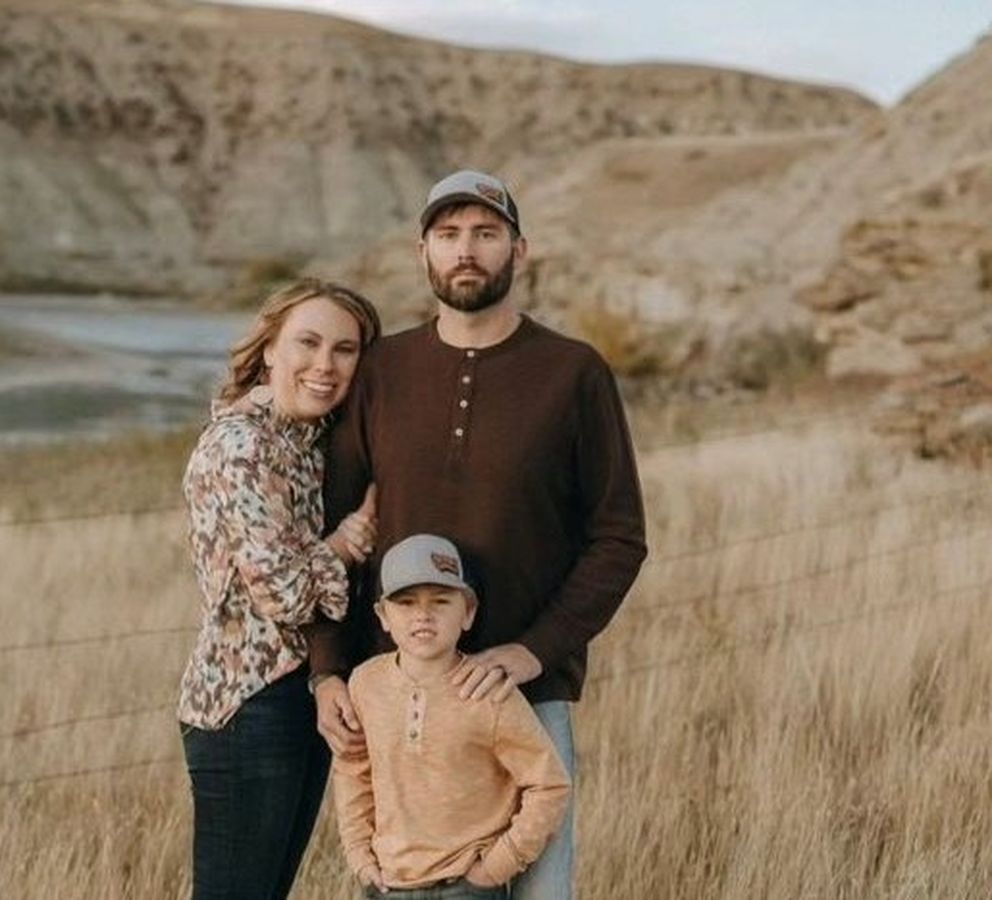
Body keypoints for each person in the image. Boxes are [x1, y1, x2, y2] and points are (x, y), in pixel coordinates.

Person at [309, 169, 648, 899]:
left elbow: (619, 537)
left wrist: (532, 651)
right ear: (423, 251)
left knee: (541, 891)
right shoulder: (382, 370)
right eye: (449, 234)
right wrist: (328, 669)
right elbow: (334, 534)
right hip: (403, 697)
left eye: (486, 233)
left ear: (519, 251)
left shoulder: (573, 373)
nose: (466, 250)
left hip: (525, 693)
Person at [177, 278, 382, 900]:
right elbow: (286, 593)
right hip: (247, 704)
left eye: (345, 350)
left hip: (302, 692)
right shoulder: (242, 446)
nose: (325, 365)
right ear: (270, 348)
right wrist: (343, 545)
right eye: (308, 343)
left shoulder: (310, 442)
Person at [333, 534, 571, 900]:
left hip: (466, 886)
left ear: (468, 612)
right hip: (389, 885)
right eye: (406, 602)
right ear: (383, 615)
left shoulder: (488, 691)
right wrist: (360, 857)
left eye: (441, 601)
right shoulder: (366, 684)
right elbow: (353, 770)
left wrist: (496, 867)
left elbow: (549, 784)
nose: (423, 615)